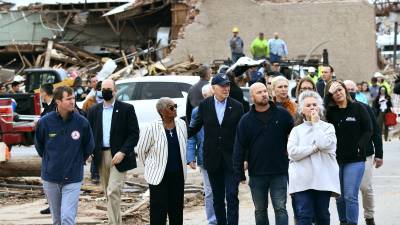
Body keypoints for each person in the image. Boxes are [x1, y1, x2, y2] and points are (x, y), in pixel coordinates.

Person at [233, 83, 293, 225]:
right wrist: (239, 173)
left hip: (279, 171)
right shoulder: (246, 120)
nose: (264, 94)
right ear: (252, 97)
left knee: (280, 208)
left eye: (265, 91)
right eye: (259, 92)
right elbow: (239, 147)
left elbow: (295, 135)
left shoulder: (282, 114)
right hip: (257, 173)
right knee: (260, 210)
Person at [188, 73, 244, 225]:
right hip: (212, 158)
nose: (226, 88)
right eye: (222, 86)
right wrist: (178, 131)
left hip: (231, 158)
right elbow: (194, 127)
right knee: (217, 197)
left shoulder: (237, 106)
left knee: (232, 195)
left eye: (228, 85)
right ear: (213, 88)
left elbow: (242, 134)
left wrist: (245, 157)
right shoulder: (204, 106)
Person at [35, 86, 94, 225]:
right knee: (57, 219)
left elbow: (89, 146)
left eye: (73, 98)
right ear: (58, 101)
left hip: (73, 177)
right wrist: (51, 161)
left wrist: (77, 161)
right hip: (51, 177)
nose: (72, 101)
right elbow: (39, 146)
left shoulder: (82, 122)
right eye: (68, 99)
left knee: (67, 217)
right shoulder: (45, 122)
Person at [87, 79, 140, 225]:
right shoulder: (93, 110)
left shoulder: (126, 109)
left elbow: (134, 134)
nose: (105, 91)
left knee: (113, 191)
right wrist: (89, 152)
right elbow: (89, 133)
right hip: (100, 156)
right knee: (108, 194)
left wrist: (123, 152)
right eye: (103, 88)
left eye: (109, 89)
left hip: (119, 156)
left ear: (115, 91)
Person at [288, 90, 340, 225]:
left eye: (314, 104)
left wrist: (316, 124)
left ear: (320, 108)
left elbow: (324, 144)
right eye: (308, 105)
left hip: (323, 179)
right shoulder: (296, 130)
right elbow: (293, 153)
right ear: (301, 110)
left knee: (322, 214)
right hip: (302, 180)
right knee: (304, 214)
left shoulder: (328, 128)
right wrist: (313, 149)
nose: (312, 108)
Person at [325, 80, 372, 225]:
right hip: (335, 160)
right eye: (334, 92)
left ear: (345, 90)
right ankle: (343, 221)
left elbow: (368, 129)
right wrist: (327, 95)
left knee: (350, 195)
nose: (338, 93)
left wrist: (360, 146)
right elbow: (320, 110)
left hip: (355, 160)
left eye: (340, 89)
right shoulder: (330, 112)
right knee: (339, 196)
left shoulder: (358, 108)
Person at [136, 97, 187, 225]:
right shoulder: (151, 128)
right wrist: (151, 167)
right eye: (171, 107)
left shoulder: (181, 124)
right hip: (158, 177)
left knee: (176, 210)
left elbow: (184, 145)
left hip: (177, 175)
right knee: (158, 211)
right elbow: (142, 151)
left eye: (175, 106)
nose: (175, 109)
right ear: (162, 111)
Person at [344, 80, 384, 225]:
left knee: (365, 187)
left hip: (365, 154)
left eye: (352, 89)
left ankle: (369, 217)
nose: (350, 92)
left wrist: (379, 154)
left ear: (357, 91)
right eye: (347, 89)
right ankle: (347, 220)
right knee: (347, 192)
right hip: (345, 156)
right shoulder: (336, 110)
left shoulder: (365, 108)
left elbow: (376, 133)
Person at [187, 84, 217, 225]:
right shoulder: (197, 112)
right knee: (210, 191)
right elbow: (192, 135)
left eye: (211, 95)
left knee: (224, 191)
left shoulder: (224, 109)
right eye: (206, 96)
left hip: (223, 156)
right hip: (205, 157)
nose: (209, 98)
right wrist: (190, 156)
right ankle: (212, 221)